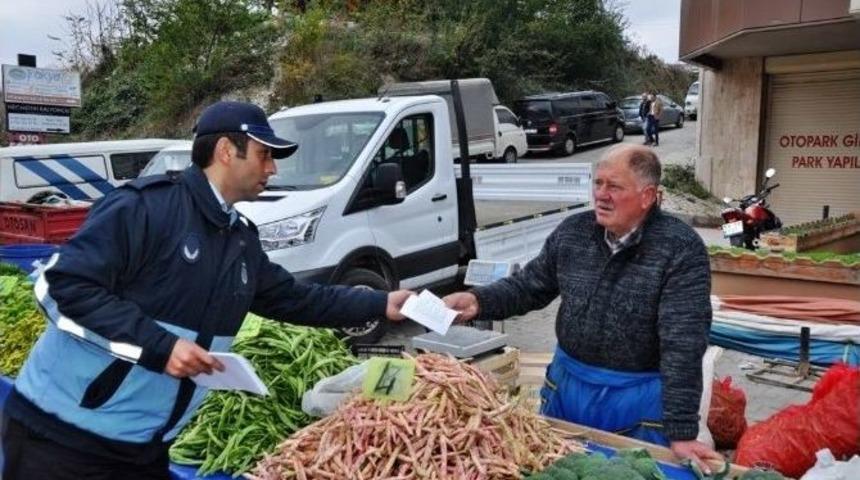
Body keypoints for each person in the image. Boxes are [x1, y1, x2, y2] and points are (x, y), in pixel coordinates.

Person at [1, 101, 414, 480]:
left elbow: (295, 298)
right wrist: (160, 346)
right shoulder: (145, 208)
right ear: (224, 151)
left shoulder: (239, 239)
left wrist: (380, 302)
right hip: (62, 438)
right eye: (264, 154)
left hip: (143, 447)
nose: (272, 169)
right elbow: (63, 285)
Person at [444, 144, 722, 473]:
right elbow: (530, 285)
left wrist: (682, 431)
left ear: (647, 196)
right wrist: (479, 301)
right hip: (566, 387)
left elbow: (683, 343)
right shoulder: (574, 233)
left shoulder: (680, 249)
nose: (601, 195)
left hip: (637, 401)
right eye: (598, 183)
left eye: (614, 186)